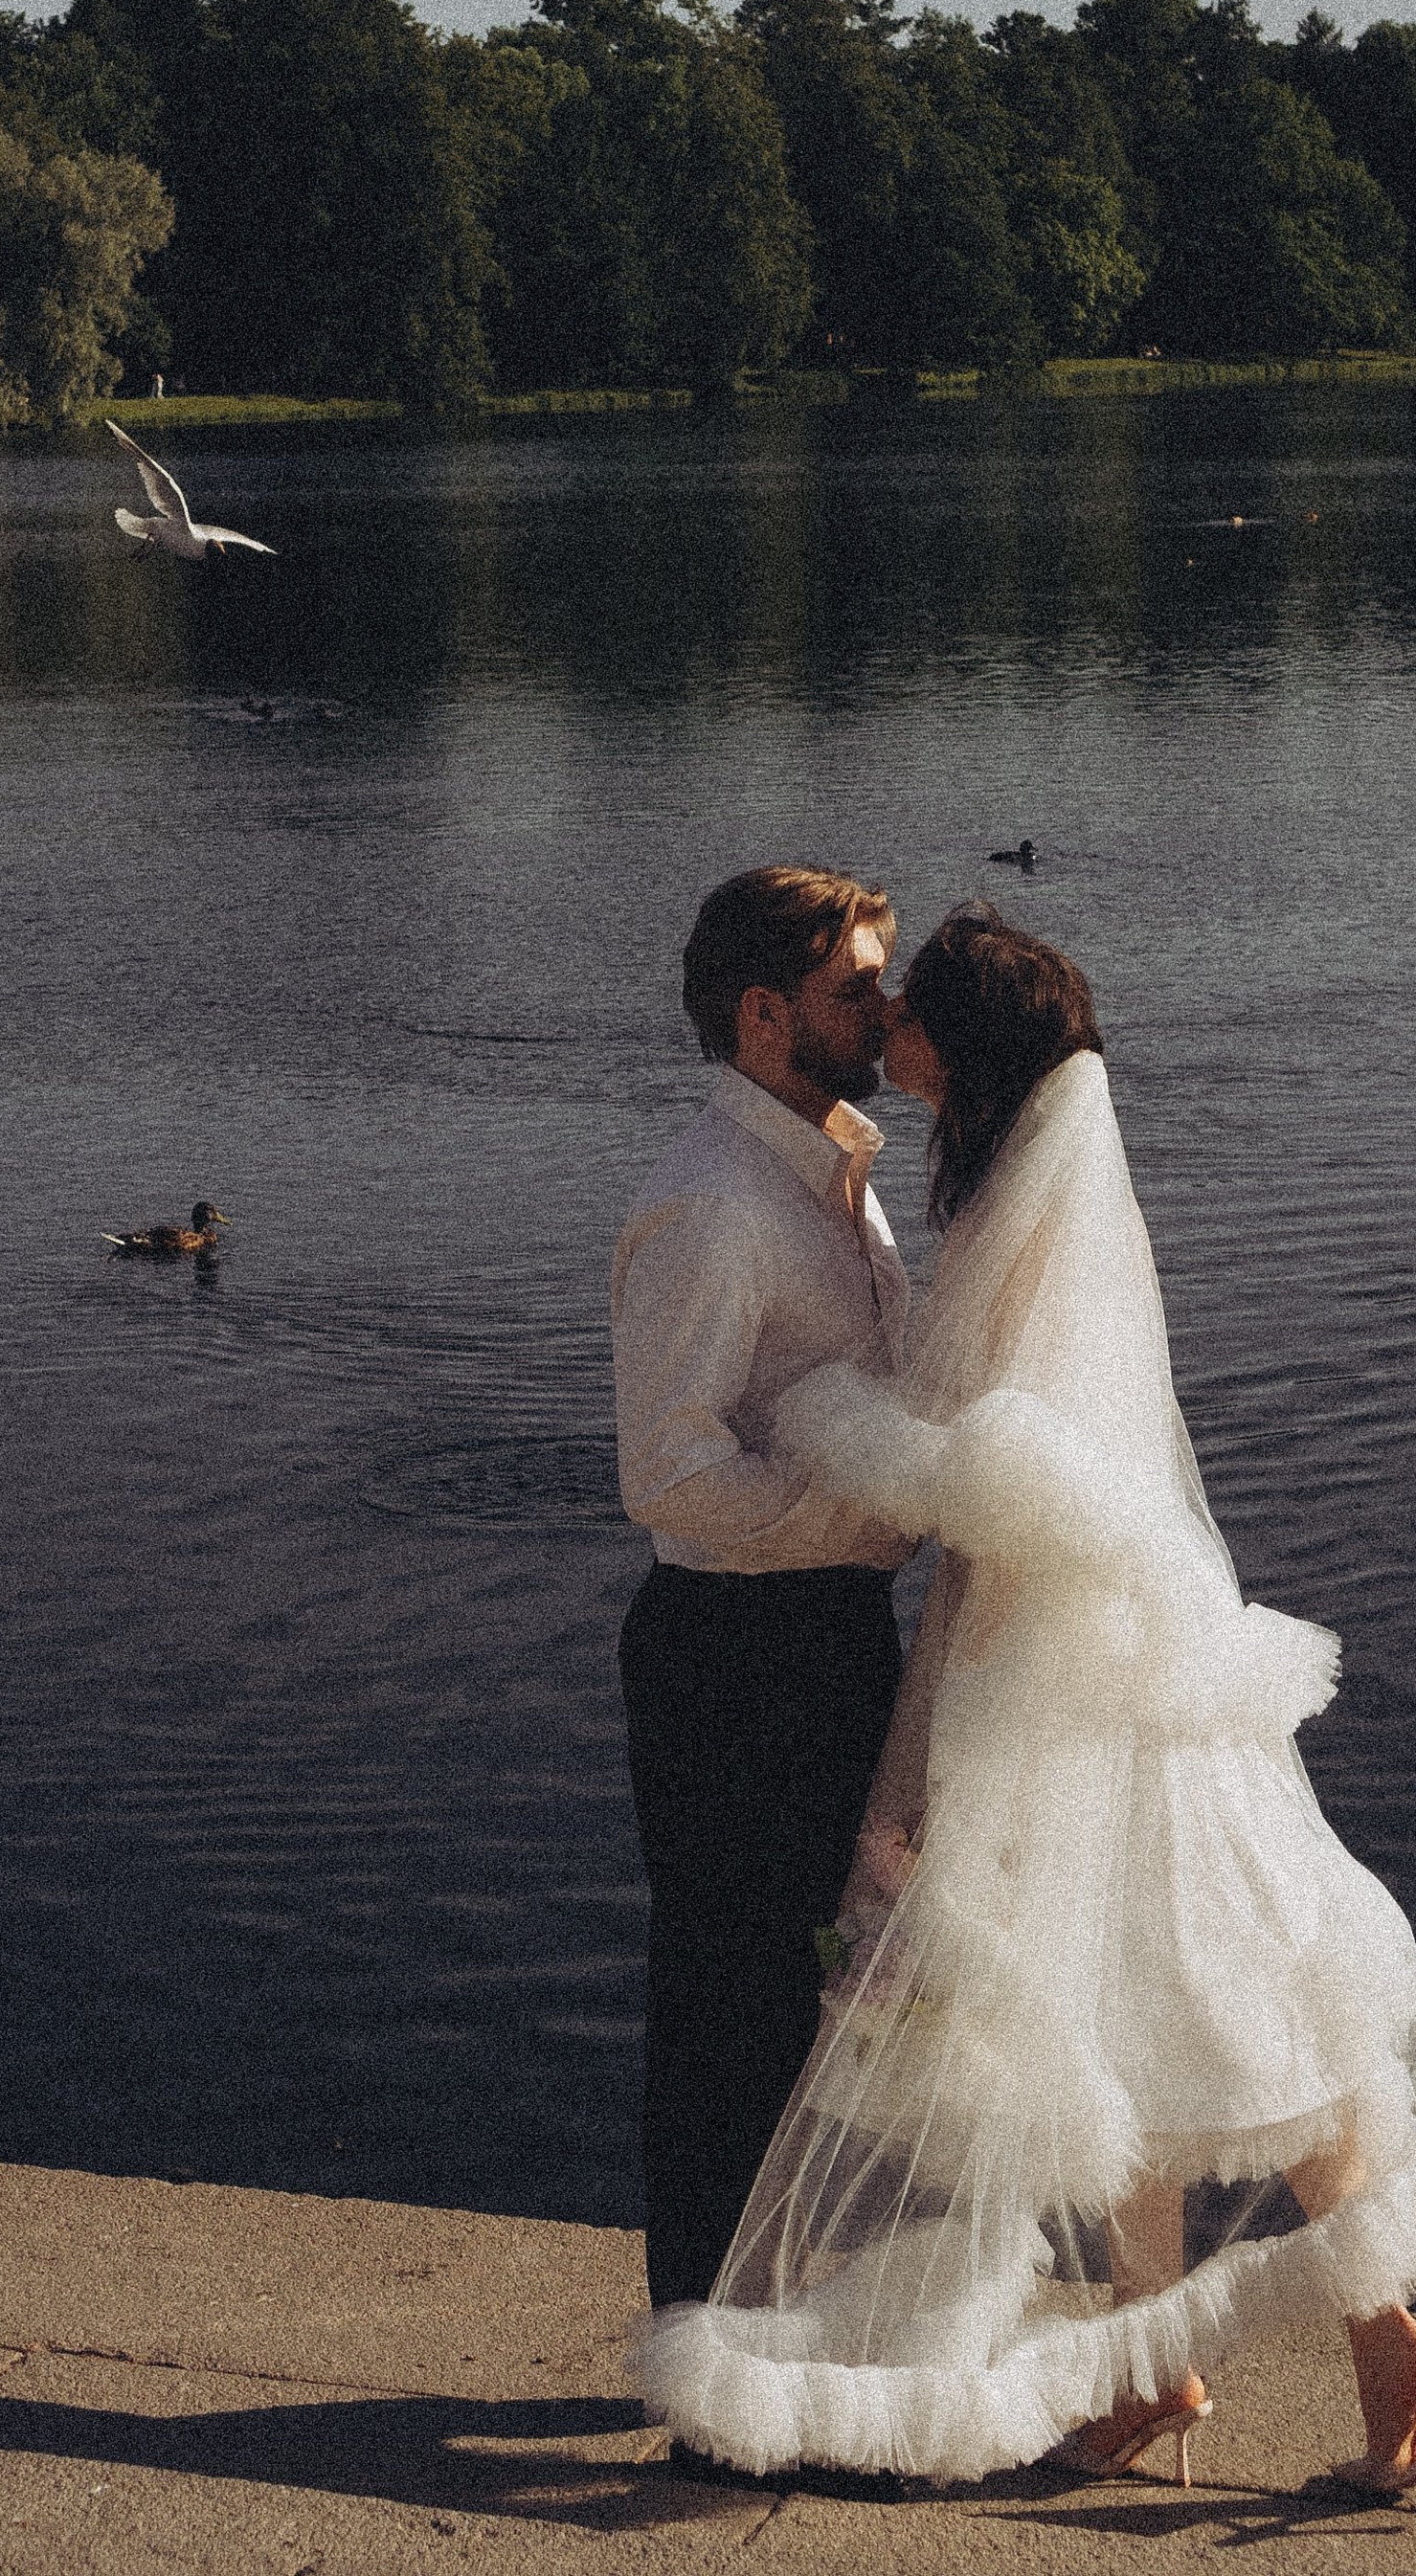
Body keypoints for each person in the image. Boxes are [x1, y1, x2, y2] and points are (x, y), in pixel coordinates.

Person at [637, 907, 1416, 2502]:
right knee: (1138, 2001)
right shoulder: (1038, 1178)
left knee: (1186, 1990)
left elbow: (995, 1456)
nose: (884, 1030)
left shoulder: (1026, 1208)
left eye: (907, 1015)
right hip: (1086, 1645)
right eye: (864, 997)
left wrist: (827, 1417)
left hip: (1068, 1667)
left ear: (959, 1051)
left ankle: (1353, 2345)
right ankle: (1163, 2365)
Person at [611, 866, 919, 2318]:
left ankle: (763, 2340)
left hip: (823, 1634)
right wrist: (860, 1510)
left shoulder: (830, 1176)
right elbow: (667, 1478)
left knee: (817, 2004)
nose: (885, 1010)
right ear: (762, 1013)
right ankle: (717, 2378)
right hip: (734, 1654)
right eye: (854, 987)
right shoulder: (715, 1208)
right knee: (731, 2016)